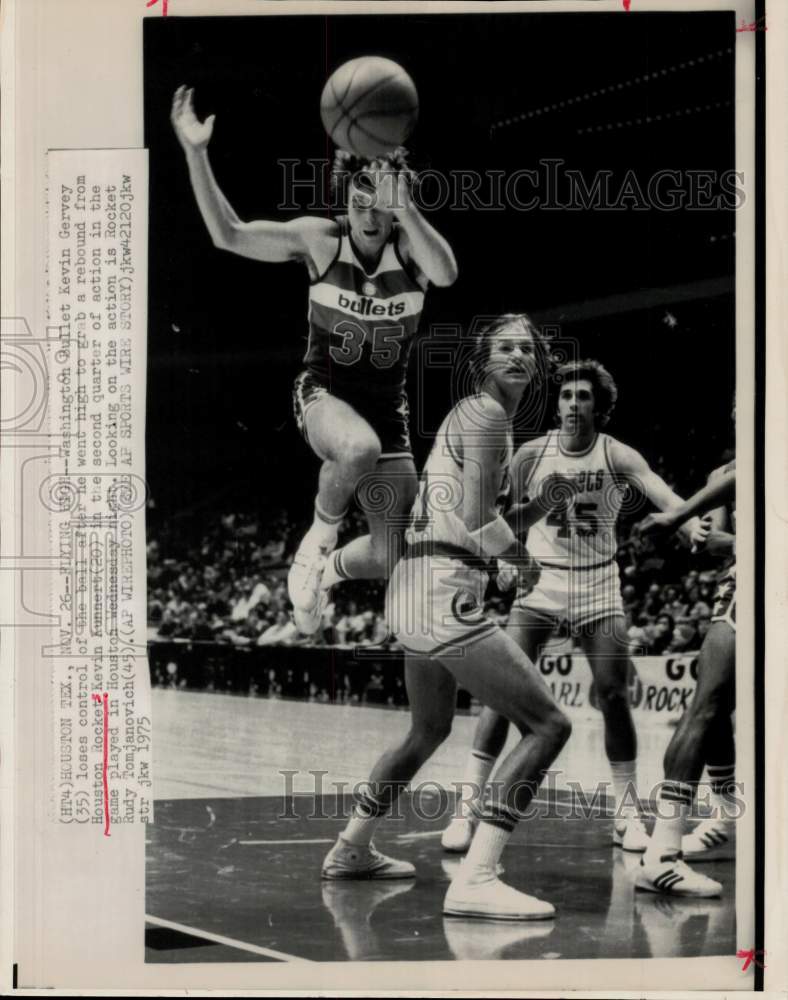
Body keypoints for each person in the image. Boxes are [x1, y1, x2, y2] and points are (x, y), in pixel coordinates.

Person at [170, 86, 458, 634]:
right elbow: (227, 235)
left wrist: (407, 207)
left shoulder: (413, 250)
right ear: (343, 200)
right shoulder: (321, 242)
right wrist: (196, 153)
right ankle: (314, 544)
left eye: (381, 204)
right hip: (324, 391)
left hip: (386, 407)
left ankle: (327, 572)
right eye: (358, 201)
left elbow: (446, 274)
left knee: (393, 554)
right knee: (356, 447)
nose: (369, 216)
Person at [321, 314, 573, 921]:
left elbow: (473, 517)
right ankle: (478, 877)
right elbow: (477, 518)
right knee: (549, 725)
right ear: (483, 360)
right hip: (442, 587)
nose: (518, 355)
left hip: (413, 587)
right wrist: (520, 564)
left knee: (427, 729)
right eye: (505, 347)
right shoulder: (489, 415)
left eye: (527, 350)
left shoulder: (472, 417)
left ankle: (351, 847)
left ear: (536, 365)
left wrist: (538, 507)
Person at [442, 360, 704, 855]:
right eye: (565, 396)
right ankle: (468, 806)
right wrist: (504, 557)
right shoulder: (530, 454)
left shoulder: (615, 453)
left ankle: (627, 812)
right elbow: (500, 516)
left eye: (583, 397)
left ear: (599, 409)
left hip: (597, 584)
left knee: (613, 694)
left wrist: (688, 524)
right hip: (540, 581)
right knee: (502, 693)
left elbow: (660, 492)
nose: (571, 405)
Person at [634, 458, 737, 895]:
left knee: (712, 704)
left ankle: (728, 817)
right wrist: (687, 522)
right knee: (707, 701)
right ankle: (663, 853)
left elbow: (725, 539)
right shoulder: (725, 473)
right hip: (753, 584)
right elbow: (711, 542)